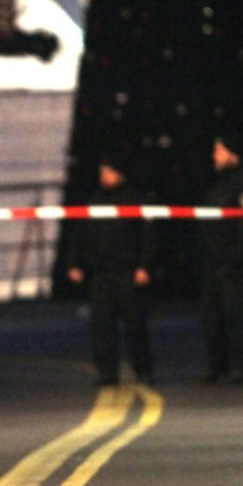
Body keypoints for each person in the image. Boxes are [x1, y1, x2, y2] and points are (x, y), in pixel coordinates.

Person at [65, 154, 156, 386]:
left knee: (135, 324)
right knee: (102, 326)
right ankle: (107, 372)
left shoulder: (135, 200)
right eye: (102, 172)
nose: (104, 177)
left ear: (120, 173)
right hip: (101, 274)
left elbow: (148, 237)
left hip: (127, 272)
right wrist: (74, 263)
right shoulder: (95, 201)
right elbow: (80, 234)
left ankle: (143, 370)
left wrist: (144, 266)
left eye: (108, 172)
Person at [199, 135, 243, 384]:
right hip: (213, 262)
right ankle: (218, 367)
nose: (215, 156)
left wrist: (237, 258)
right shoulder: (217, 185)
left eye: (219, 151)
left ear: (233, 154)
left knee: (235, 316)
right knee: (212, 317)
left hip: (232, 264)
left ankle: (240, 368)